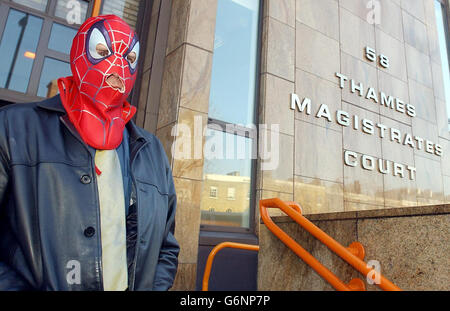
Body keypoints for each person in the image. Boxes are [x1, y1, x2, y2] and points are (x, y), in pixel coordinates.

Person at [0, 15, 179, 291]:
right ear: (79, 53)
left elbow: (166, 246)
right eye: (103, 52)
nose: (118, 67)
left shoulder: (151, 151)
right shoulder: (12, 128)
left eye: (129, 58)